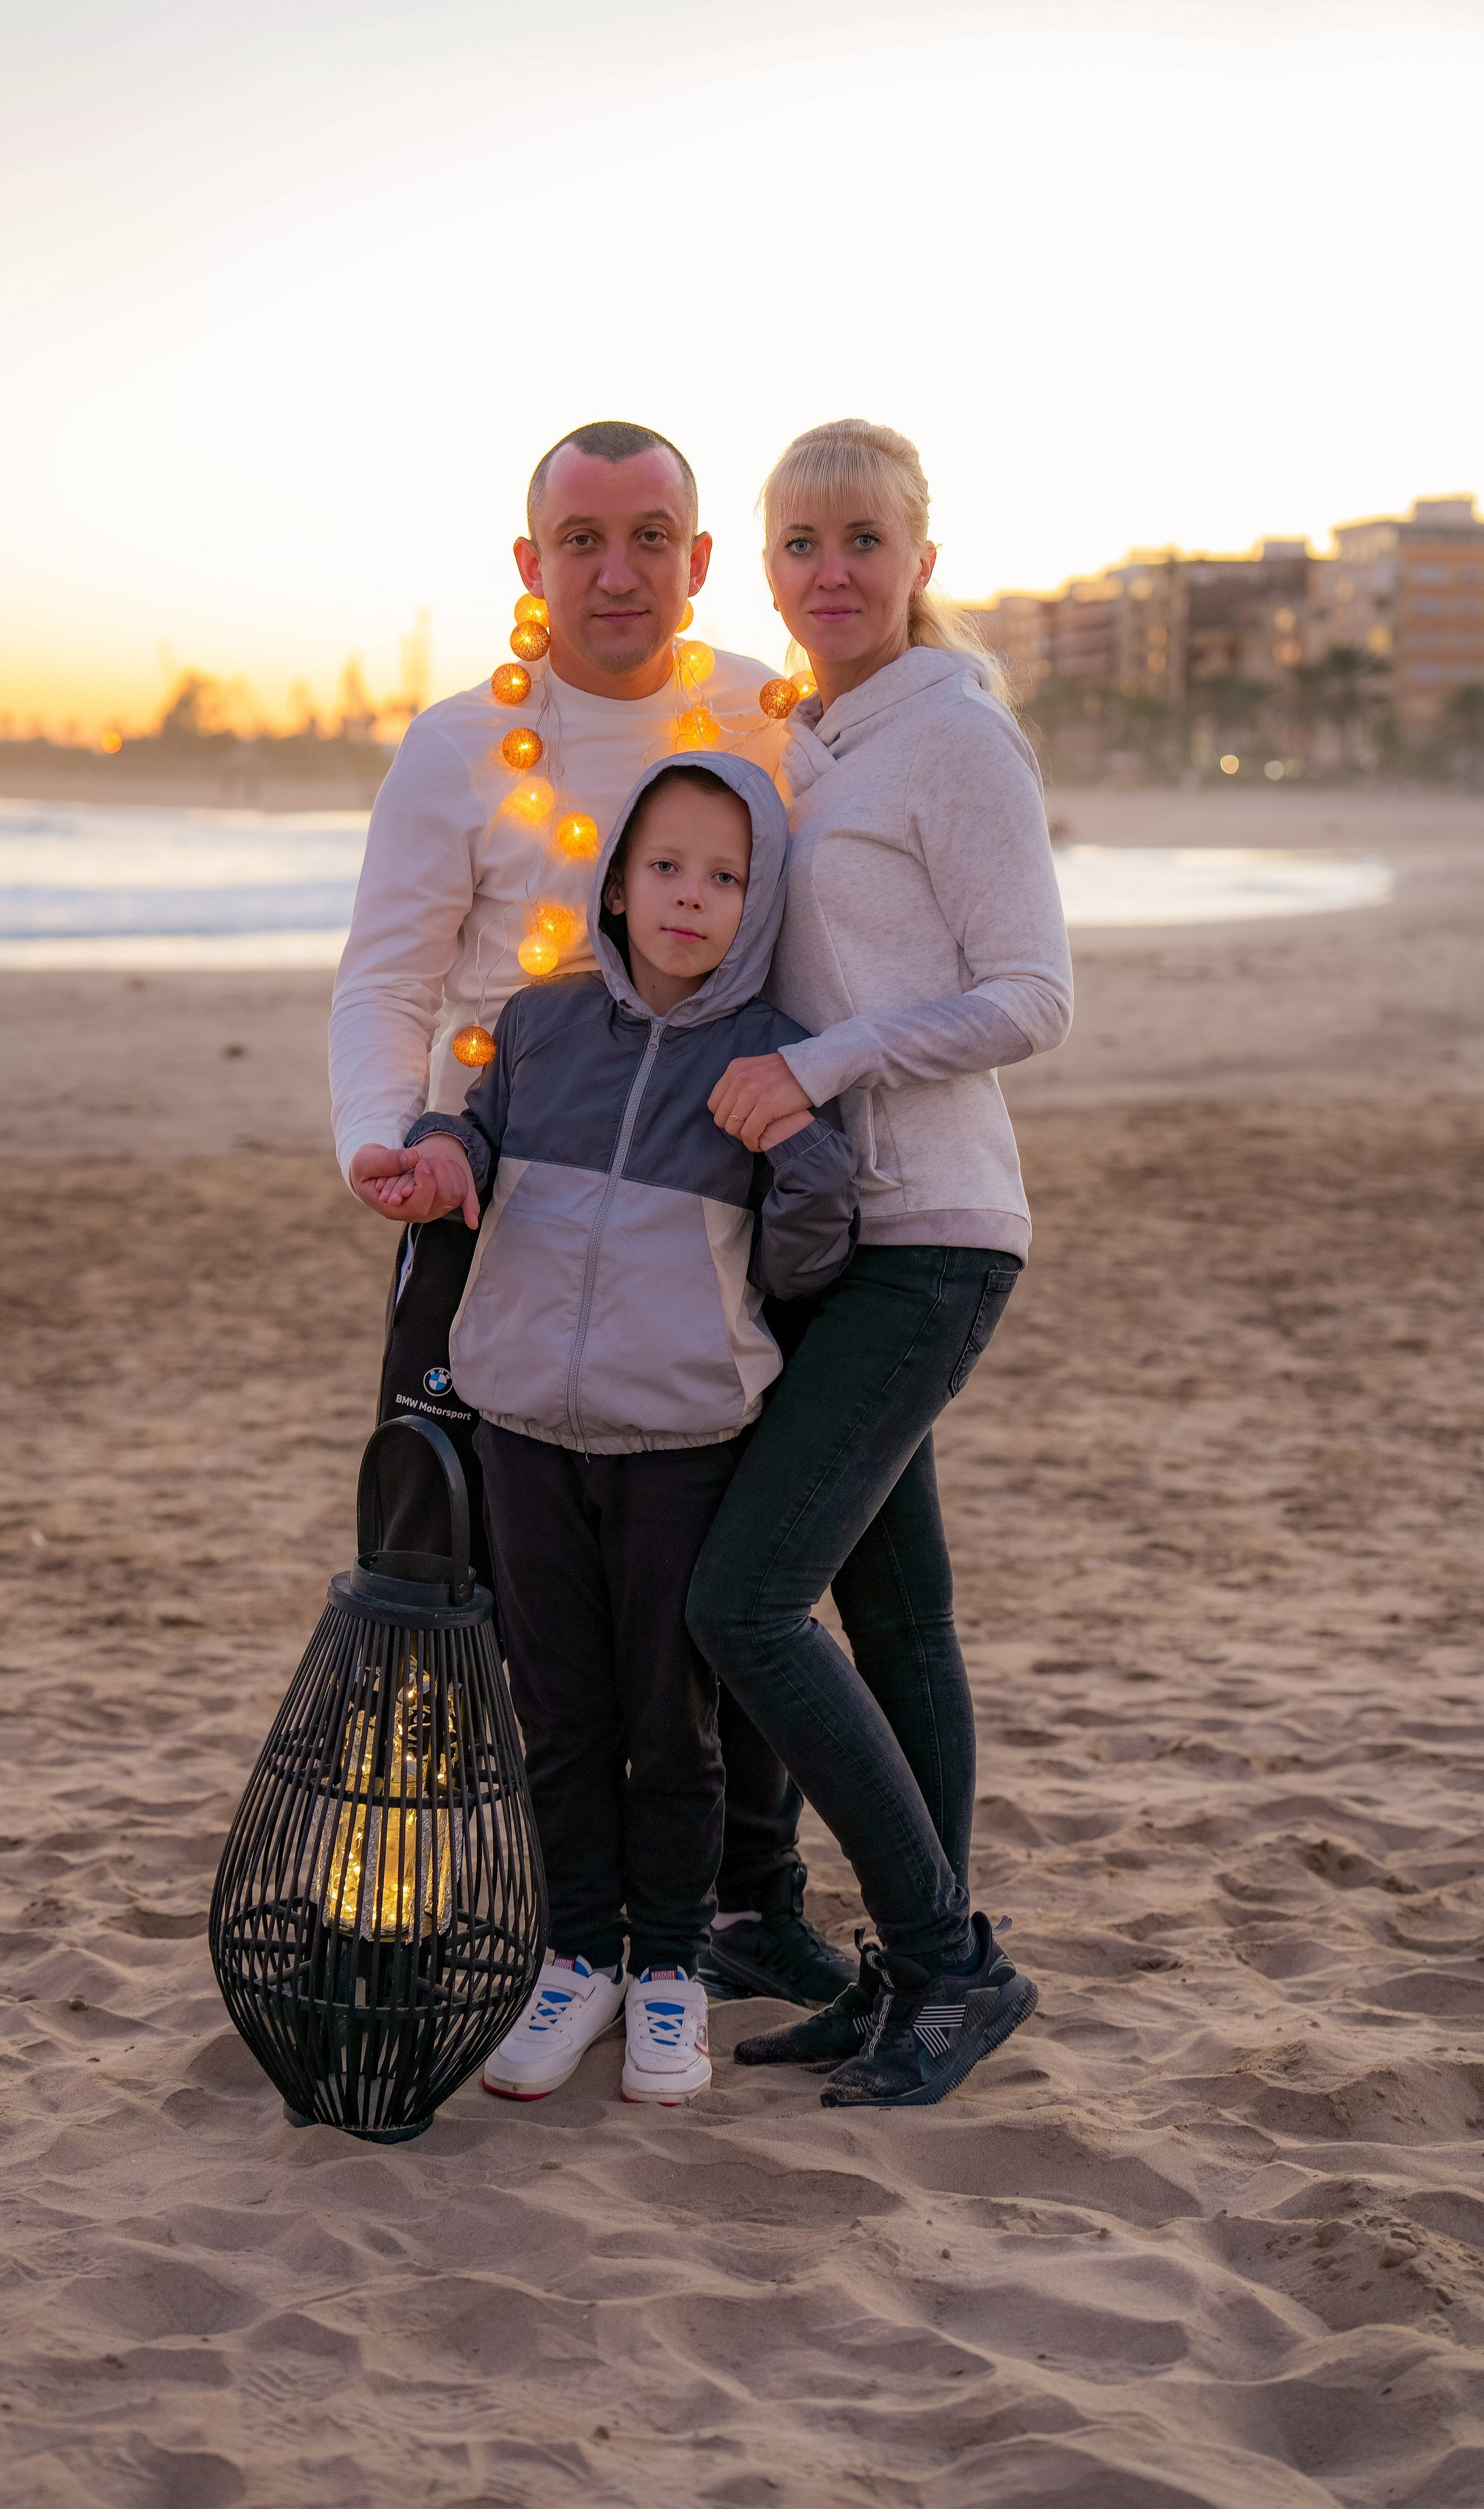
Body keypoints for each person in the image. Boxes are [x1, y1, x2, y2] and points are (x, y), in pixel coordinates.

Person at [330, 419, 854, 2009]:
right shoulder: (455, 744)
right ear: (530, 561)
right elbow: (387, 976)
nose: (614, 571)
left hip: (712, 1205)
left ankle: (749, 1901)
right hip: (486, 1191)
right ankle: (455, 1885)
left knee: (732, 1575)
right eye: (580, 539)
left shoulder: (769, 720)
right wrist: (387, 1152)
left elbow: (846, 934)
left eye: (646, 538)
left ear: (698, 561)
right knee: (444, 1552)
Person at [368, 754, 859, 2101]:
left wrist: (801, 1148)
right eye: (666, 867)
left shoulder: (770, 1060)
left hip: (684, 1446)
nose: (691, 896)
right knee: (562, 1718)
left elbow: (808, 1263)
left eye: (724, 876)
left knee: (672, 1726)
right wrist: (440, 1157)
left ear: (759, 903)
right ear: (618, 884)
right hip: (522, 1430)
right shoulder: (538, 1025)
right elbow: (468, 1132)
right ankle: (577, 1957)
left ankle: (670, 1970)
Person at [686, 418, 1075, 2109]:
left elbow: (1031, 996)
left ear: (921, 558)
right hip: (834, 1236)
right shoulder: (808, 746)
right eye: (800, 542)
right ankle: (914, 1972)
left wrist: (826, 1067)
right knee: (897, 1620)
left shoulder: (954, 738)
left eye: (861, 539)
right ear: (769, 568)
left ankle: (948, 1963)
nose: (829, 570)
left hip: (933, 1237)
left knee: (743, 1603)